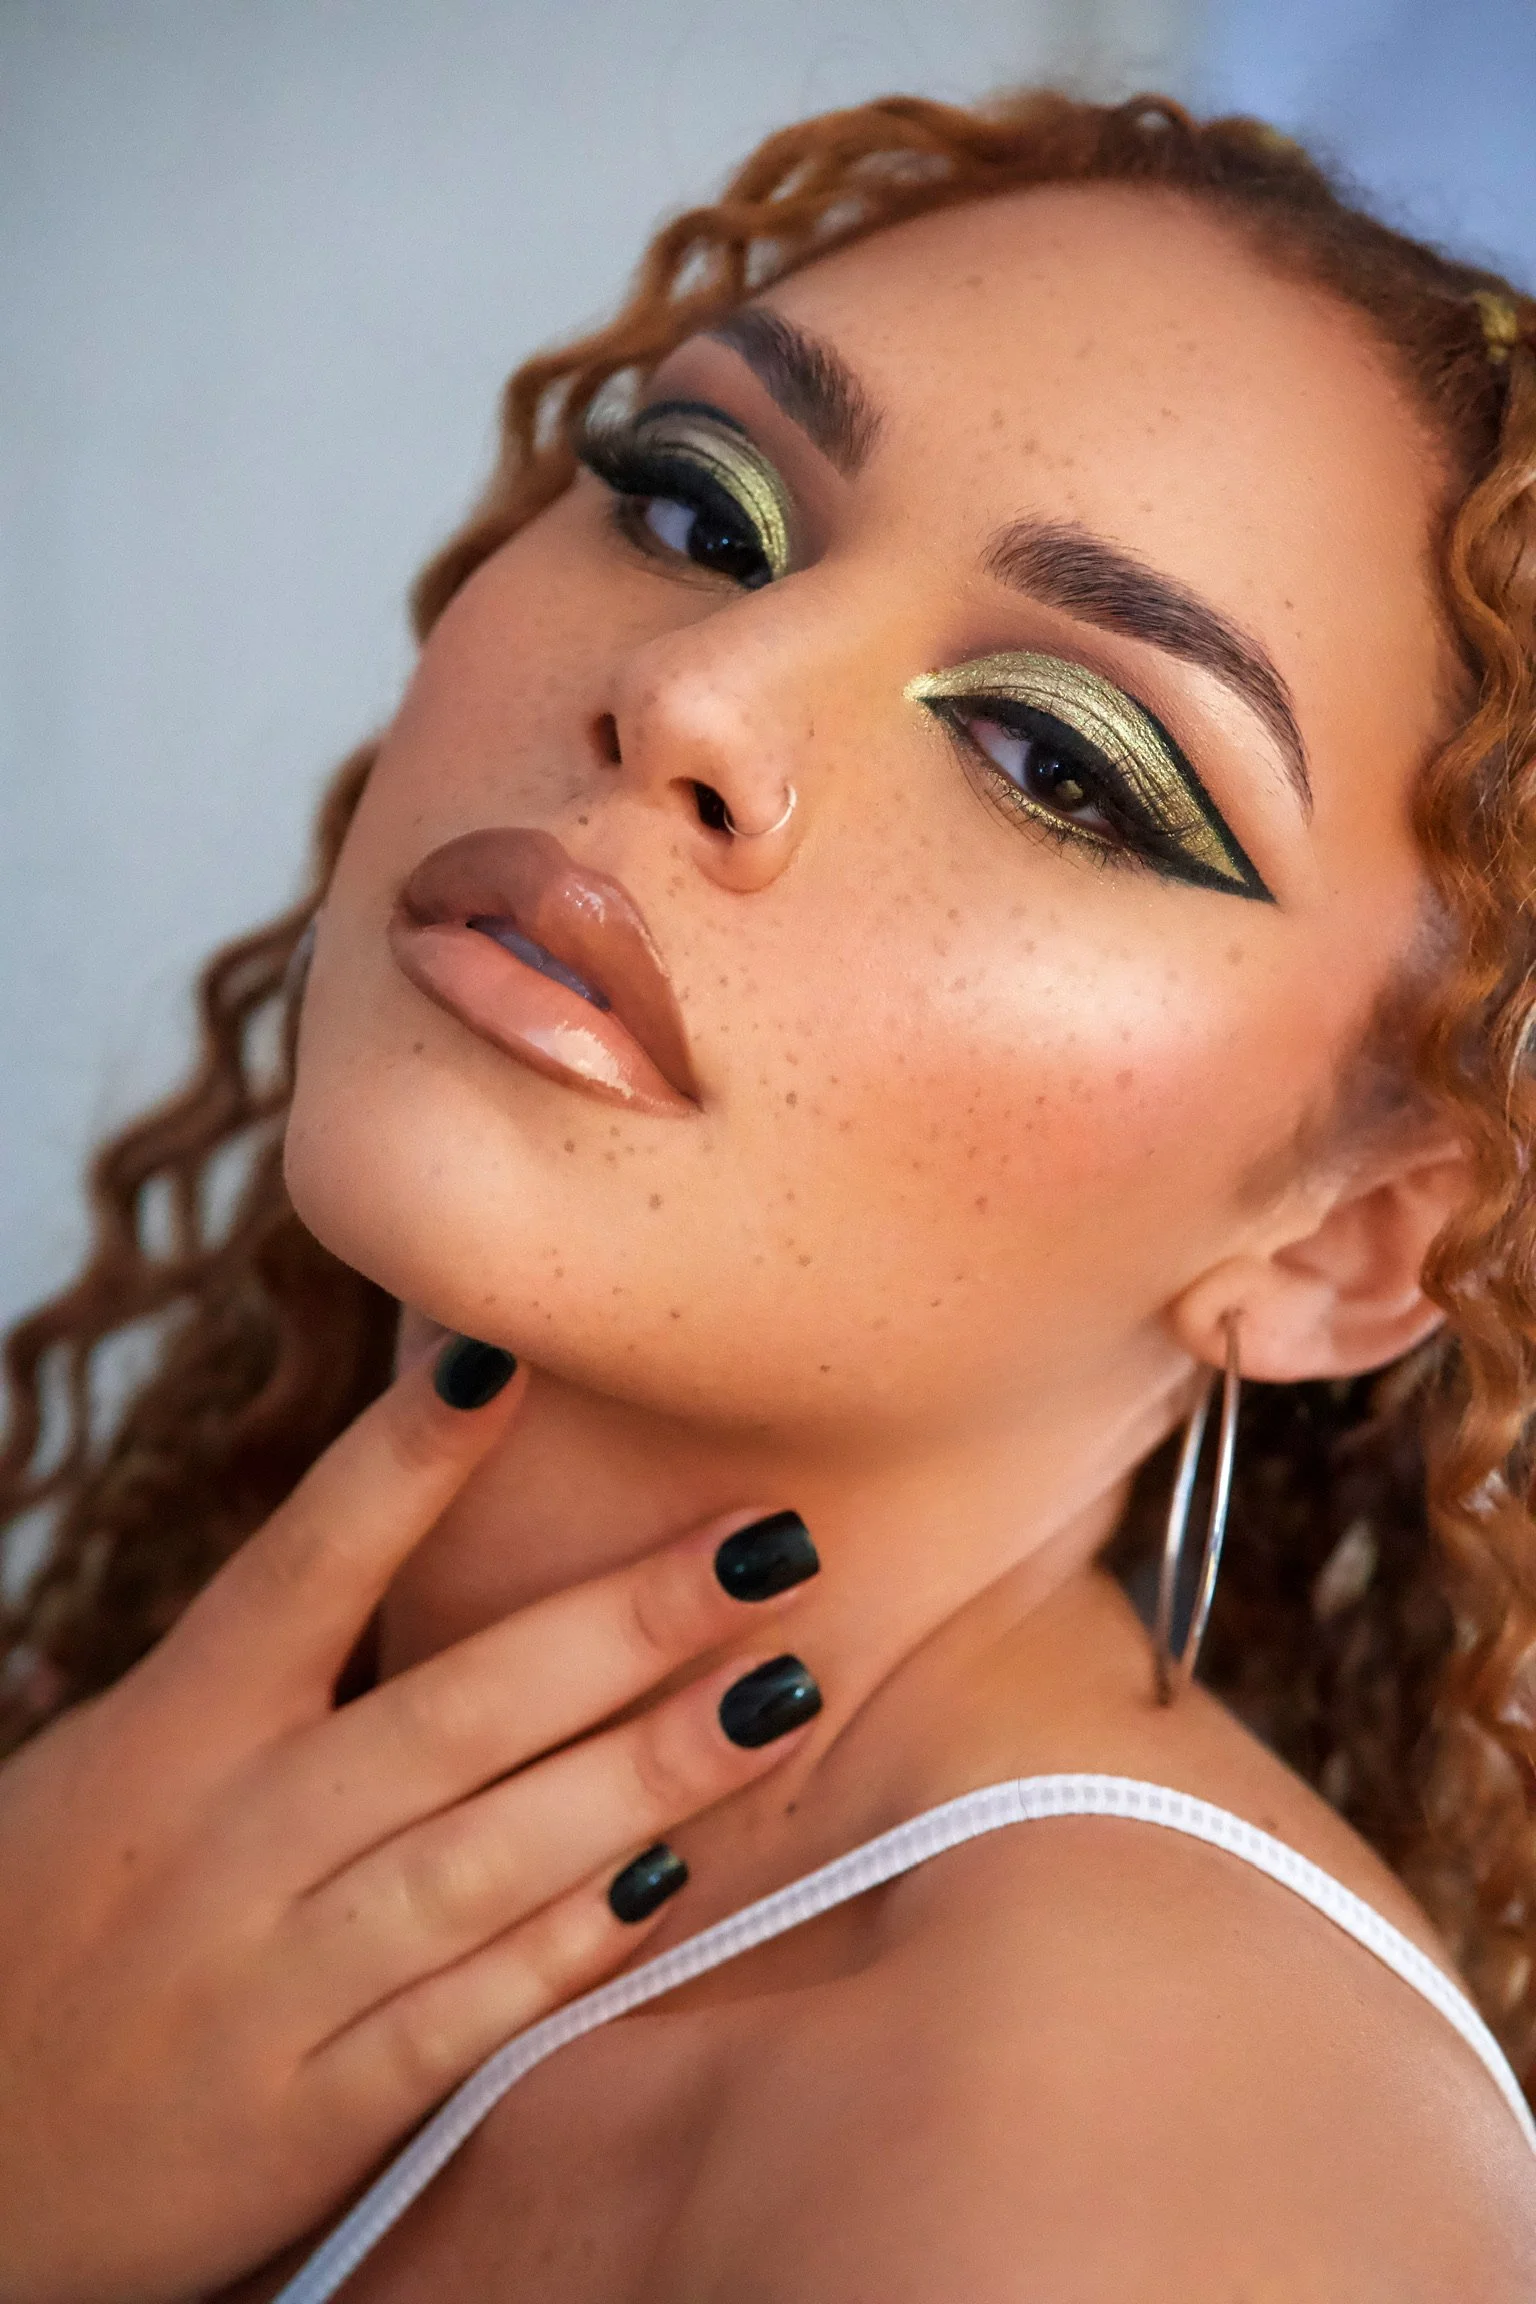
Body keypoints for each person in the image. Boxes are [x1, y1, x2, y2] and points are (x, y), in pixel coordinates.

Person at [3, 84, 1536, 2302]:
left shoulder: (1126, 2177)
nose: (688, 690)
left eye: (1056, 760)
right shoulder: (143, 1834)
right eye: (703, 510)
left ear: (1346, 1245)